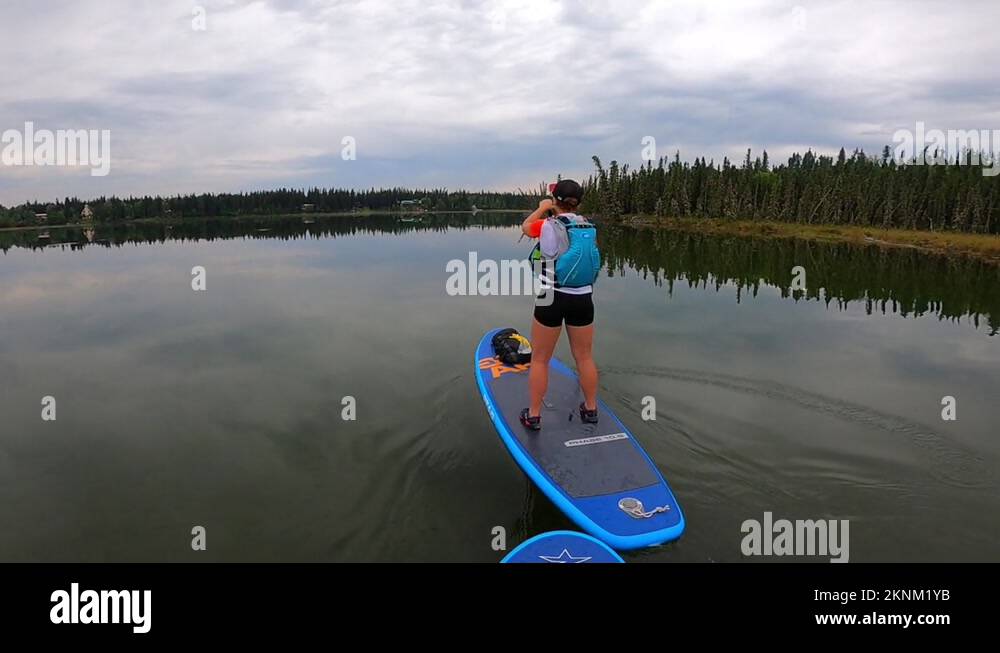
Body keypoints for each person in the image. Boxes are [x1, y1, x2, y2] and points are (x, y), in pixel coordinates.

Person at [519, 179, 600, 431]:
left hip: (551, 296)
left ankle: (533, 415)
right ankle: (590, 408)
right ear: (578, 202)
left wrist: (543, 208)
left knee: (540, 360)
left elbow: (525, 227)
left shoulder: (548, 225)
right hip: (583, 297)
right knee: (584, 357)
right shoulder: (586, 225)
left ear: (556, 200)